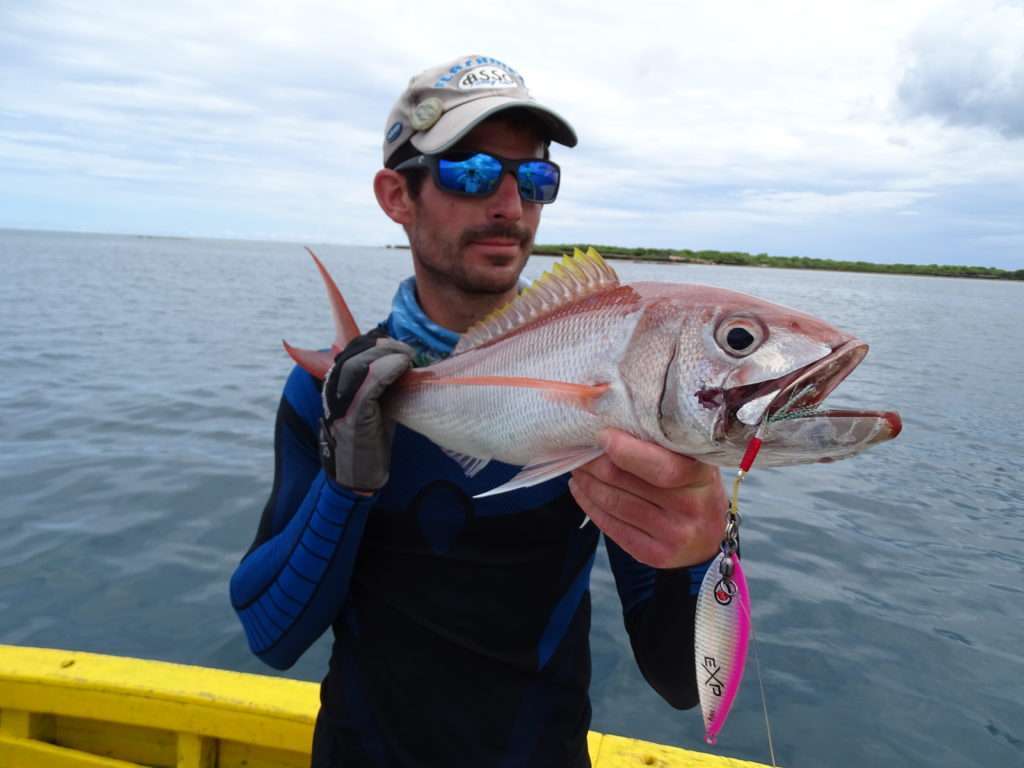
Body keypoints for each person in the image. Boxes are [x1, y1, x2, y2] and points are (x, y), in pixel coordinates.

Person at [230, 54, 728, 768]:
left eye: (535, 178)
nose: (510, 205)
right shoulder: (333, 393)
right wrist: (345, 482)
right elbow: (269, 636)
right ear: (396, 195)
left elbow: (682, 682)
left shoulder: (616, 397)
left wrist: (705, 548)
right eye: (471, 172)